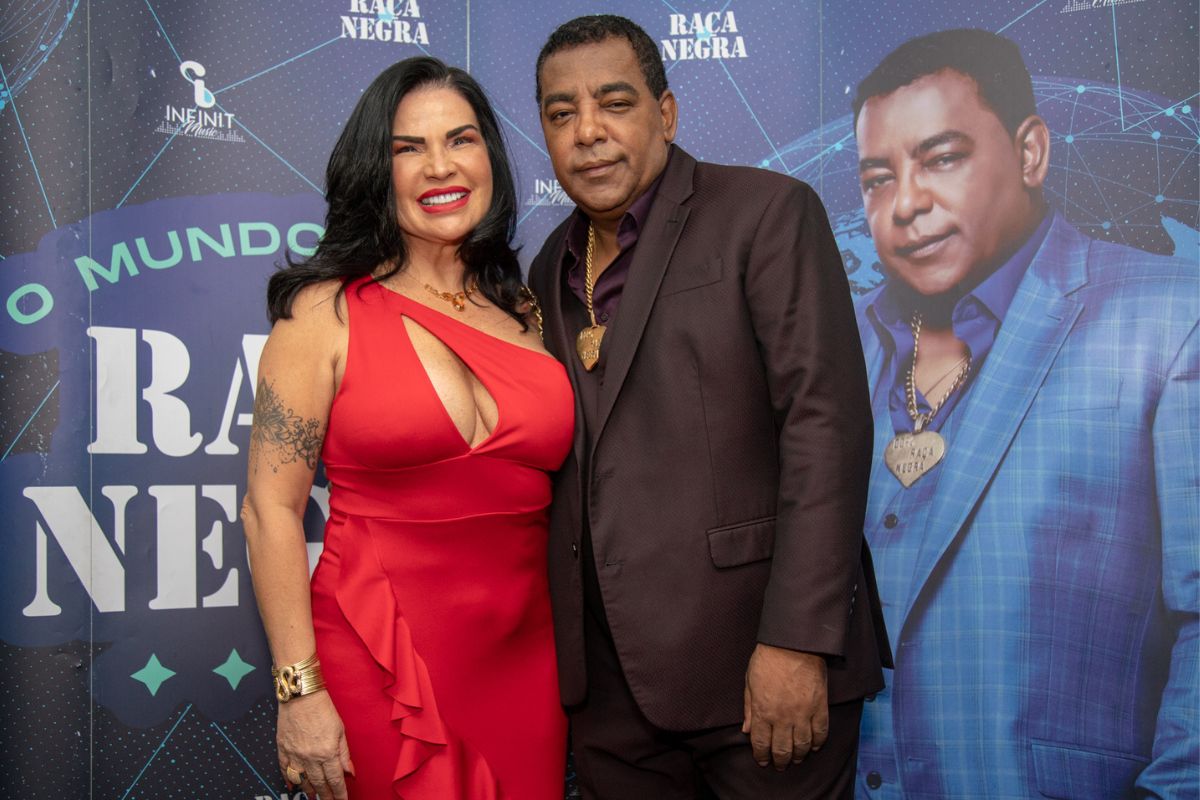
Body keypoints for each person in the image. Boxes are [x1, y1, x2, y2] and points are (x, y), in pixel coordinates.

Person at [527, 15, 891, 799]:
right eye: (561, 113)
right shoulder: (549, 265)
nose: (587, 132)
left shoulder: (765, 213)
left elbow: (825, 428)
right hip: (611, 698)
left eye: (614, 103)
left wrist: (796, 644)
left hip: (756, 672)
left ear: (665, 113)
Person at [851, 29, 1198, 798]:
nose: (905, 204)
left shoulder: (1172, 317)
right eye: (878, 179)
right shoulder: (835, 339)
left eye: (942, 158)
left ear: (1031, 153)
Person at [240, 56, 574, 800]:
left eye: (460, 139)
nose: (439, 166)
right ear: (375, 170)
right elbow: (269, 511)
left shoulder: (529, 312)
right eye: (407, 148)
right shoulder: (322, 313)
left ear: (489, 156)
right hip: (375, 660)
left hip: (527, 664)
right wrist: (300, 691)